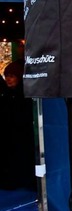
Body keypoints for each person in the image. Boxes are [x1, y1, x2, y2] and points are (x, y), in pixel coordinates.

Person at [0, 60, 36, 191]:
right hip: (11, 137)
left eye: (12, 76)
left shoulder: (24, 95)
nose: (8, 79)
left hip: (22, 136)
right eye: (6, 76)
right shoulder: (7, 95)